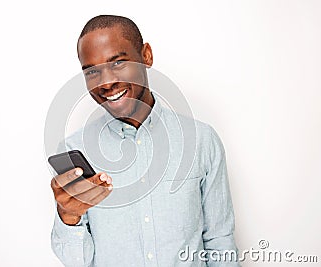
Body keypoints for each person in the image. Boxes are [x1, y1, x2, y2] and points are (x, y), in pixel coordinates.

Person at [50, 15, 240, 266]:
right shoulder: (75, 150)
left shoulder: (202, 141)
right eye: (92, 71)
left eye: (117, 62)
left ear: (146, 56)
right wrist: (68, 217)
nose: (106, 82)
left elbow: (219, 242)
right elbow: (76, 261)